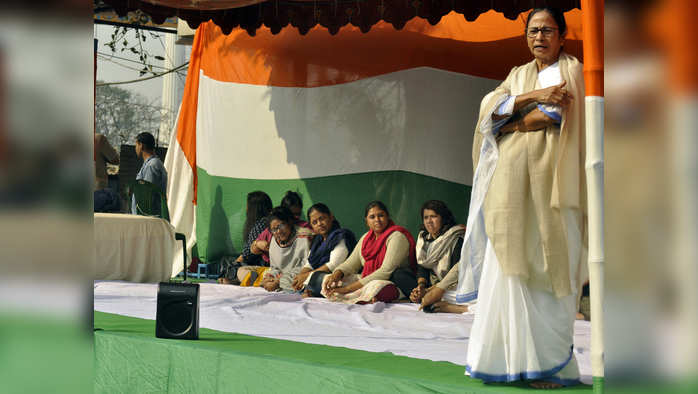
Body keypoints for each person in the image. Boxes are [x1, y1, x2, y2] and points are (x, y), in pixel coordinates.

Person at [462, 8, 586, 388]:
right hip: (510, 193)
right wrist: (530, 96)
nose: (539, 37)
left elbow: (549, 116)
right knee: (509, 275)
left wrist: (510, 119)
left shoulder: (572, 71)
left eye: (547, 30)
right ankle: (509, 364)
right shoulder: (519, 75)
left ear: (563, 36)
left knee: (550, 274)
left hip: (552, 193)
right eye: (533, 30)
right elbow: (487, 113)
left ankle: (547, 365)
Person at [322, 201, 417, 304]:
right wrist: (337, 274)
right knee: (329, 279)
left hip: (391, 281)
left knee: (377, 287)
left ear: (388, 217)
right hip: (368, 279)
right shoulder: (366, 238)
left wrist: (348, 289)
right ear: (366, 221)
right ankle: (361, 296)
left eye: (381, 215)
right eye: (372, 217)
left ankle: (361, 295)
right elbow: (351, 263)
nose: (377, 220)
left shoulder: (397, 236)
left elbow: (385, 271)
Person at [408, 200, 469, 314]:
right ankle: (423, 296)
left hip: (451, 284)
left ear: (443, 218)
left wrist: (432, 291)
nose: (429, 221)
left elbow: (456, 274)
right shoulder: (423, 238)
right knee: (401, 274)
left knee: (461, 294)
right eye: (426, 217)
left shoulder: (456, 237)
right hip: (432, 284)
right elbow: (423, 266)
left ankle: (436, 300)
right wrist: (421, 287)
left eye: (434, 217)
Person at [290, 203, 357, 295]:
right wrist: (300, 277)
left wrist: (306, 276)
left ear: (331, 216)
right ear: (312, 227)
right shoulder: (317, 240)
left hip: (339, 277)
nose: (319, 224)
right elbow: (309, 264)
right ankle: (309, 289)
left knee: (322, 279)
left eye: (322, 218)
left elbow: (333, 265)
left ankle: (310, 290)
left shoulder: (340, 236)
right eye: (315, 222)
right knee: (295, 275)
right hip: (318, 275)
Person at [218, 191, 273, 285]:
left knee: (228, 265)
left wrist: (234, 264)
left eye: (247, 206)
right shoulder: (269, 222)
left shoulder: (259, 225)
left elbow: (247, 254)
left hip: (260, 264)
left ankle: (235, 279)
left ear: (253, 209)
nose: (246, 209)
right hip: (263, 264)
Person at [259, 206, 313, 292]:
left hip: (298, 278)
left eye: (281, 225)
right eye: (274, 229)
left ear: (289, 222)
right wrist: (270, 277)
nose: (278, 231)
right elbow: (275, 268)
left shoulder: (302, 236)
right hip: (280, 279)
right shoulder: (274, 239)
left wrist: (278, 282)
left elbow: (303, 268)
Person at [250, 191, 311, 265]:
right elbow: (253, 250)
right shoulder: (271, 229)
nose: (296, 217)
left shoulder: (303, 228)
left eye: (298, 214)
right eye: (292, 214)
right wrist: (257, 244)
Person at [130, 132, 167, 216]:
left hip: (147, 219)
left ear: (141, 145)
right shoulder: (151, 164)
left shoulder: (152, 166)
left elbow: (147, 196)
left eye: (136, 145)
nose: (135, 148)